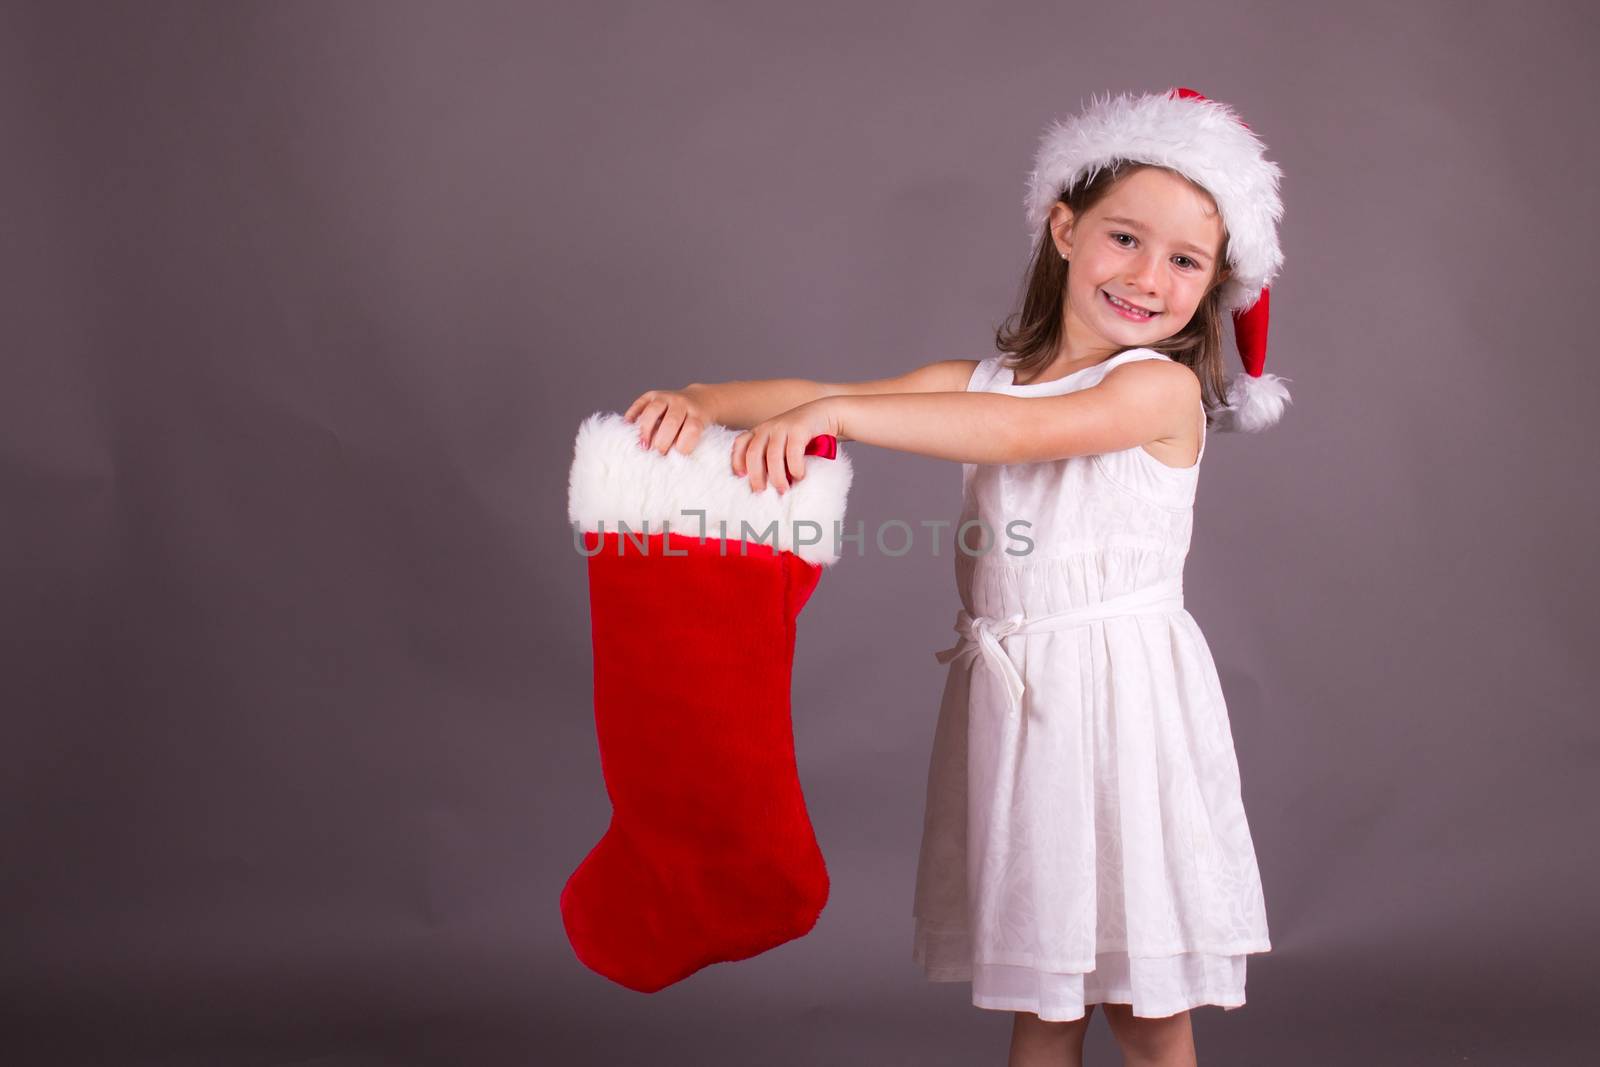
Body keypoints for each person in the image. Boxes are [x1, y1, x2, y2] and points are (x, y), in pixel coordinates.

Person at [623, 86, 1289, 1067]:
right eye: (1124, 238)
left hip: (1121, 713)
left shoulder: (1156, 387)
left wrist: (838, 421)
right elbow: (822, 392)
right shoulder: (977, 380)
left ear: (1214, 284)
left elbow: (1021, 434)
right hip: (1025, 715)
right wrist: (701, 401)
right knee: (1043, 1001)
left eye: (1185, 260)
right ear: (1063, 226)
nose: (1148, 276)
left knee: (1146, 1006)